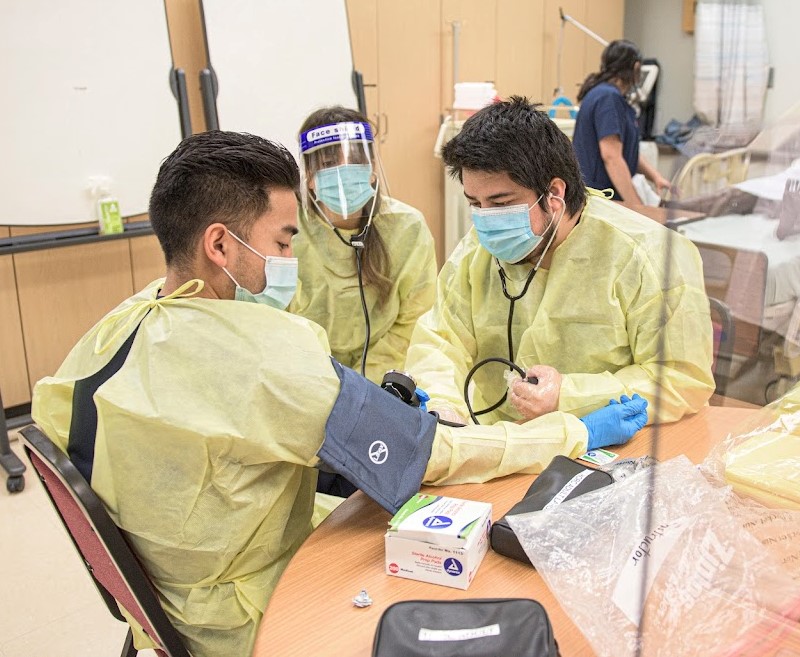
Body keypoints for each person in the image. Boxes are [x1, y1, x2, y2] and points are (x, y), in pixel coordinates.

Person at [30, 130, 650, 657]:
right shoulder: (261, 359)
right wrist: (574, 432)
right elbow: (428, 455)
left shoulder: (117, 324)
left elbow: (59, 423)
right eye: (280, 242)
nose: (290, 258)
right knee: (475, 589)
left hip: (166, 592)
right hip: (240, 614)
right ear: (219, 244)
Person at [406, 97, 715, 428]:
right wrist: (442, 404)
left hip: (600, 442)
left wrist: (570, 394)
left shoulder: (647, 254)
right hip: (495, 441)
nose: (486, 221)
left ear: (554, 193)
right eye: (475, 204)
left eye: (501, 203)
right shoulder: (477, 251)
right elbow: (440, 341)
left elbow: (683, 379)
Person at [289, 106, 436, 383]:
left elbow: (415, 319)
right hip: (305, 375)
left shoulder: (407, 227)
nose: (345, 171)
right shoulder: (289, 230)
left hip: (384, 375)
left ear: (372, 169)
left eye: (356, 160)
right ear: (309, 177)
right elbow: (278, 318)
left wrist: (363, 382)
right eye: (330, 162)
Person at [668, 141, 800, 240]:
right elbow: (784, 176)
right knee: (731, 195)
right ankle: (672, 208)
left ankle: (790, 223)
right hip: (777, 188)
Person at [572, 39, 670, 208]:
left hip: (604, 196)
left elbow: (623, 149)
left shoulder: (604, 95)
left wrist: (655, 177)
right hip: (603, 198)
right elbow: (612, 156)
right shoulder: (608, 98)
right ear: (636, 67)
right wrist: (637, 208)